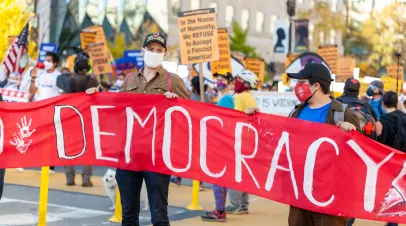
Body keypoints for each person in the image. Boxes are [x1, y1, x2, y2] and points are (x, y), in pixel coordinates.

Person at [87, 32, 189, 226]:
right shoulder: (130, 79)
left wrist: (175, 103)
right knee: (129, 215)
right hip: (129, 154)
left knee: (159, 215)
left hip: (157, 156)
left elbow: (188, 114)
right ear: (143, 51)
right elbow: (116, 107)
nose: (154, 53)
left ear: (165, 54)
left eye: (159, 50)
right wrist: (96, 98)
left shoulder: (173, 81)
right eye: (151, 49)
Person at [286, 63, 360, 226]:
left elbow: (360, 153)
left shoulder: (341, 113)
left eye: (302, 82)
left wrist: (353, 133)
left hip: (330, 198)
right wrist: (255, 119)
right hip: (301, 195)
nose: (297, 87)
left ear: (316, 85)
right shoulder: (296, 113)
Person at [201, 71, 234, 222]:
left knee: (218, 177)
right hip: (220, 141)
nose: (219, 82)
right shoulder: (223, 98)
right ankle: (219, 209)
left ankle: (220, 210)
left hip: (221, 142)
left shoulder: (227, 98)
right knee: (218, 178)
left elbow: (224, 120)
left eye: (222, 80)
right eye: (218, 80)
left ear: (229, 82)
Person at [225, 69, 258, 215]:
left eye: (239, 79)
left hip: (239, 139)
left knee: (234, 173)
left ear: (245, 83)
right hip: (249, 140)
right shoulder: (249, 97)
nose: (236, 81)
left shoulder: (239, 98)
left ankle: (235, 204)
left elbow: (236, 117)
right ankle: (243, 205)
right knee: (244, 173)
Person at [64, 51, 99, 187]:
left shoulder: (70, 80)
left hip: (71, 116)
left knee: (70, 149)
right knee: (88, 149)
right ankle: (86, 178)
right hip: (87, 117)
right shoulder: (92, 80)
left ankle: (69, 178)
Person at [169, 75, 208, 190]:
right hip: (200, 130)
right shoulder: (205, 97)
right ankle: (198, 182)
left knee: (185, 155)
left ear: (195, 86)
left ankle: (178, 179)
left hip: (191, 130)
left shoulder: (192, 98)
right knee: (196, 156)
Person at [375, 91, 406, 226]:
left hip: (389, 164)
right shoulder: (404, 117)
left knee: (390, 195)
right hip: (404, 162)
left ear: (382, 104)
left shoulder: (383, 120)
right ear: (396, 103)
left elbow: (379, 143)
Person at [29, 51, 62, 174]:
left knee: (51, 138)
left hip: (53, 111)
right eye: (45, 60)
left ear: (55, 63)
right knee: (41, 136)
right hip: (41, 110)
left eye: (49, 60)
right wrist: (33, 77)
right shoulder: (41, 75)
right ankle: (43, 162)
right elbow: (33, 90)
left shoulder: (59, 76)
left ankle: (51, 165)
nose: (46, 62)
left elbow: (62, 93)